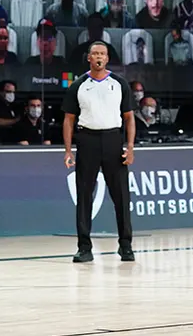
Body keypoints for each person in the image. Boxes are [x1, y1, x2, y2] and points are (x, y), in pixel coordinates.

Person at [63, 42, 136, 263]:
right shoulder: (78, 85)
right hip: (87, 140)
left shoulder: (119, 83)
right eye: (95, 53)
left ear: (107, 58)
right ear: (88, 57)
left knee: (121, 196)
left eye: (102, 54)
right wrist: (68, 150)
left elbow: (129, 117)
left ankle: (125, 246)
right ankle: (84, 247)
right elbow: (68, 120)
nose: (99, 57)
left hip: (113, 139)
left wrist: (130, 147)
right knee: (84, 196)